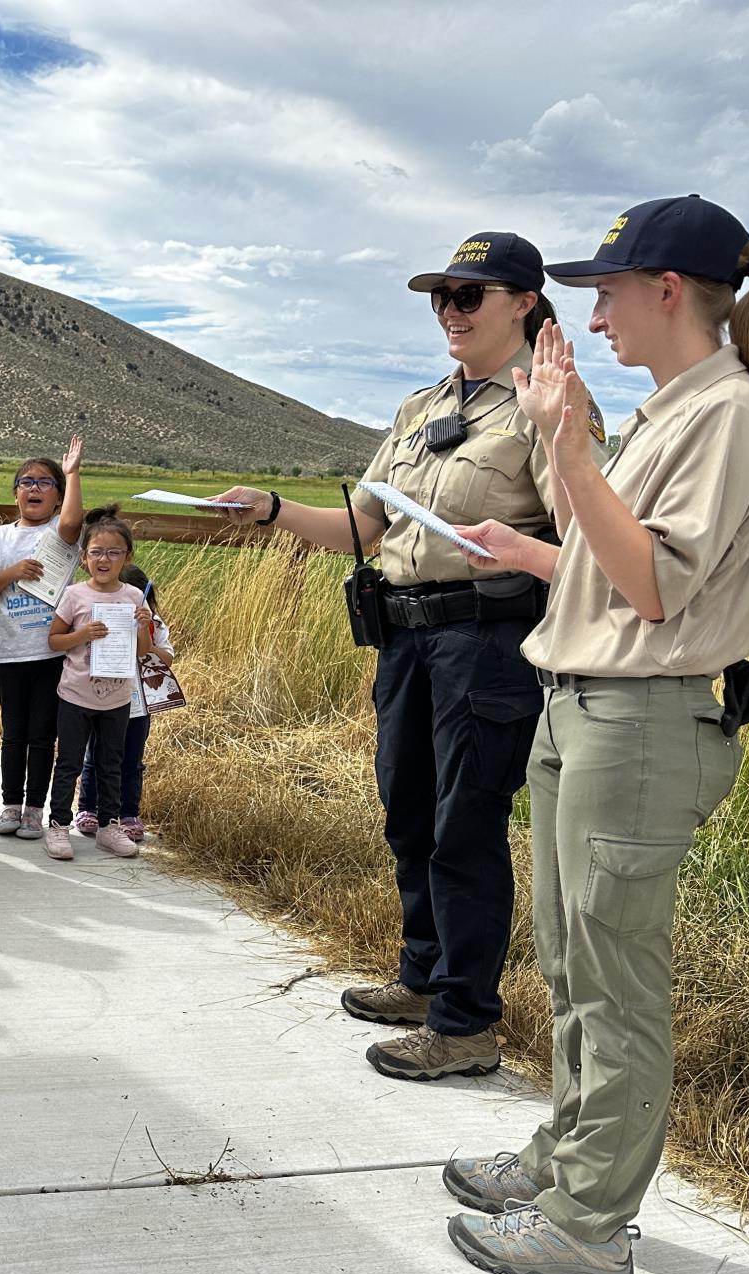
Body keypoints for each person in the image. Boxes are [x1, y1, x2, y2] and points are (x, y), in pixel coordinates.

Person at [443, 196, 749, 1274]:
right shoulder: (669, 410)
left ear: (663, 291)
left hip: (639, 724)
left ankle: (589, 1225)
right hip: (585, 706)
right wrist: (537, 519)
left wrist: (562, 441)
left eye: (602, 294)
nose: (589, 318)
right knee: (570, 963)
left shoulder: (730, 416)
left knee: (614, 984)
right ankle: (562, 1164)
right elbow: (609, 564)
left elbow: (650, 585)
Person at [213, 231, 590, 1084]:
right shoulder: (420, 409)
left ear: (525, 302)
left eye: (469, 297)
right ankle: (423, 980)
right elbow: (366, 527)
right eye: (440, 298)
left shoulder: (548, 405)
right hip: (408, 635)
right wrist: (270, 508)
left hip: (487, 641)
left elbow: (582, 532)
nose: (449, 312)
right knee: (410, 813)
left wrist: (543, 497)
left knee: (465, 827)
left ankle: (465, 1023)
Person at [0, 436, 85, 839]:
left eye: (45, 482)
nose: (34, 488)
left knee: (43, 734)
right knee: (12, 733)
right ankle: (10, 805)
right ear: (15, 493)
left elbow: (73, 522)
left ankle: (35, 808)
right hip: (11, 653)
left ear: (58, 497)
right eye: (26, 481)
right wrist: (13, 572)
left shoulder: (60, 531)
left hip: (52, 652)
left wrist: (71, 474)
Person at [44, 507, 152, 860]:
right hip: (76, 695)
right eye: (96, 552)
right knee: (70, 763)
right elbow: (54, 641)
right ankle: (59, 825)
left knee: (111, 763)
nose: (104, 559)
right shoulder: (75, 595)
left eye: (114, 552)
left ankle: (109, 826)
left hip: (117, 698)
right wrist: (82, 634)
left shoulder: (134, 597)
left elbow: (143, 650)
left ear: (127, 557)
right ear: (84, 557)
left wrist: (143, 625)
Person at [77, 563, 173, 842]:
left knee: (132, 761)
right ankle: (88, 808)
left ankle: (129, 813)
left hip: (137, 707)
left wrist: (144, 632)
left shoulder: (155, 625)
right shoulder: (97, 620)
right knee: (95, 757)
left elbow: (165, 659)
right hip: (101, 701)